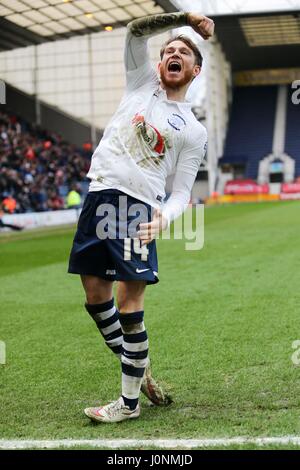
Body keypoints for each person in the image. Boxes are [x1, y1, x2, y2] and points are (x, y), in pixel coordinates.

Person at [68, 11, 214, 423]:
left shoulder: (193, 130)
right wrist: (183, 18)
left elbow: (182, 192)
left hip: (135, 208)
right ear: (157, 63)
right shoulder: (140, 83)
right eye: (168, 49)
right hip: (99, 195)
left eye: (183, 52)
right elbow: (134, 31)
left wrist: (165, 218)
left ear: (194, 70)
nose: (173, 53)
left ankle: (128, 403)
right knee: (95, 296)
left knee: (128, 301)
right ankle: (139, 366)